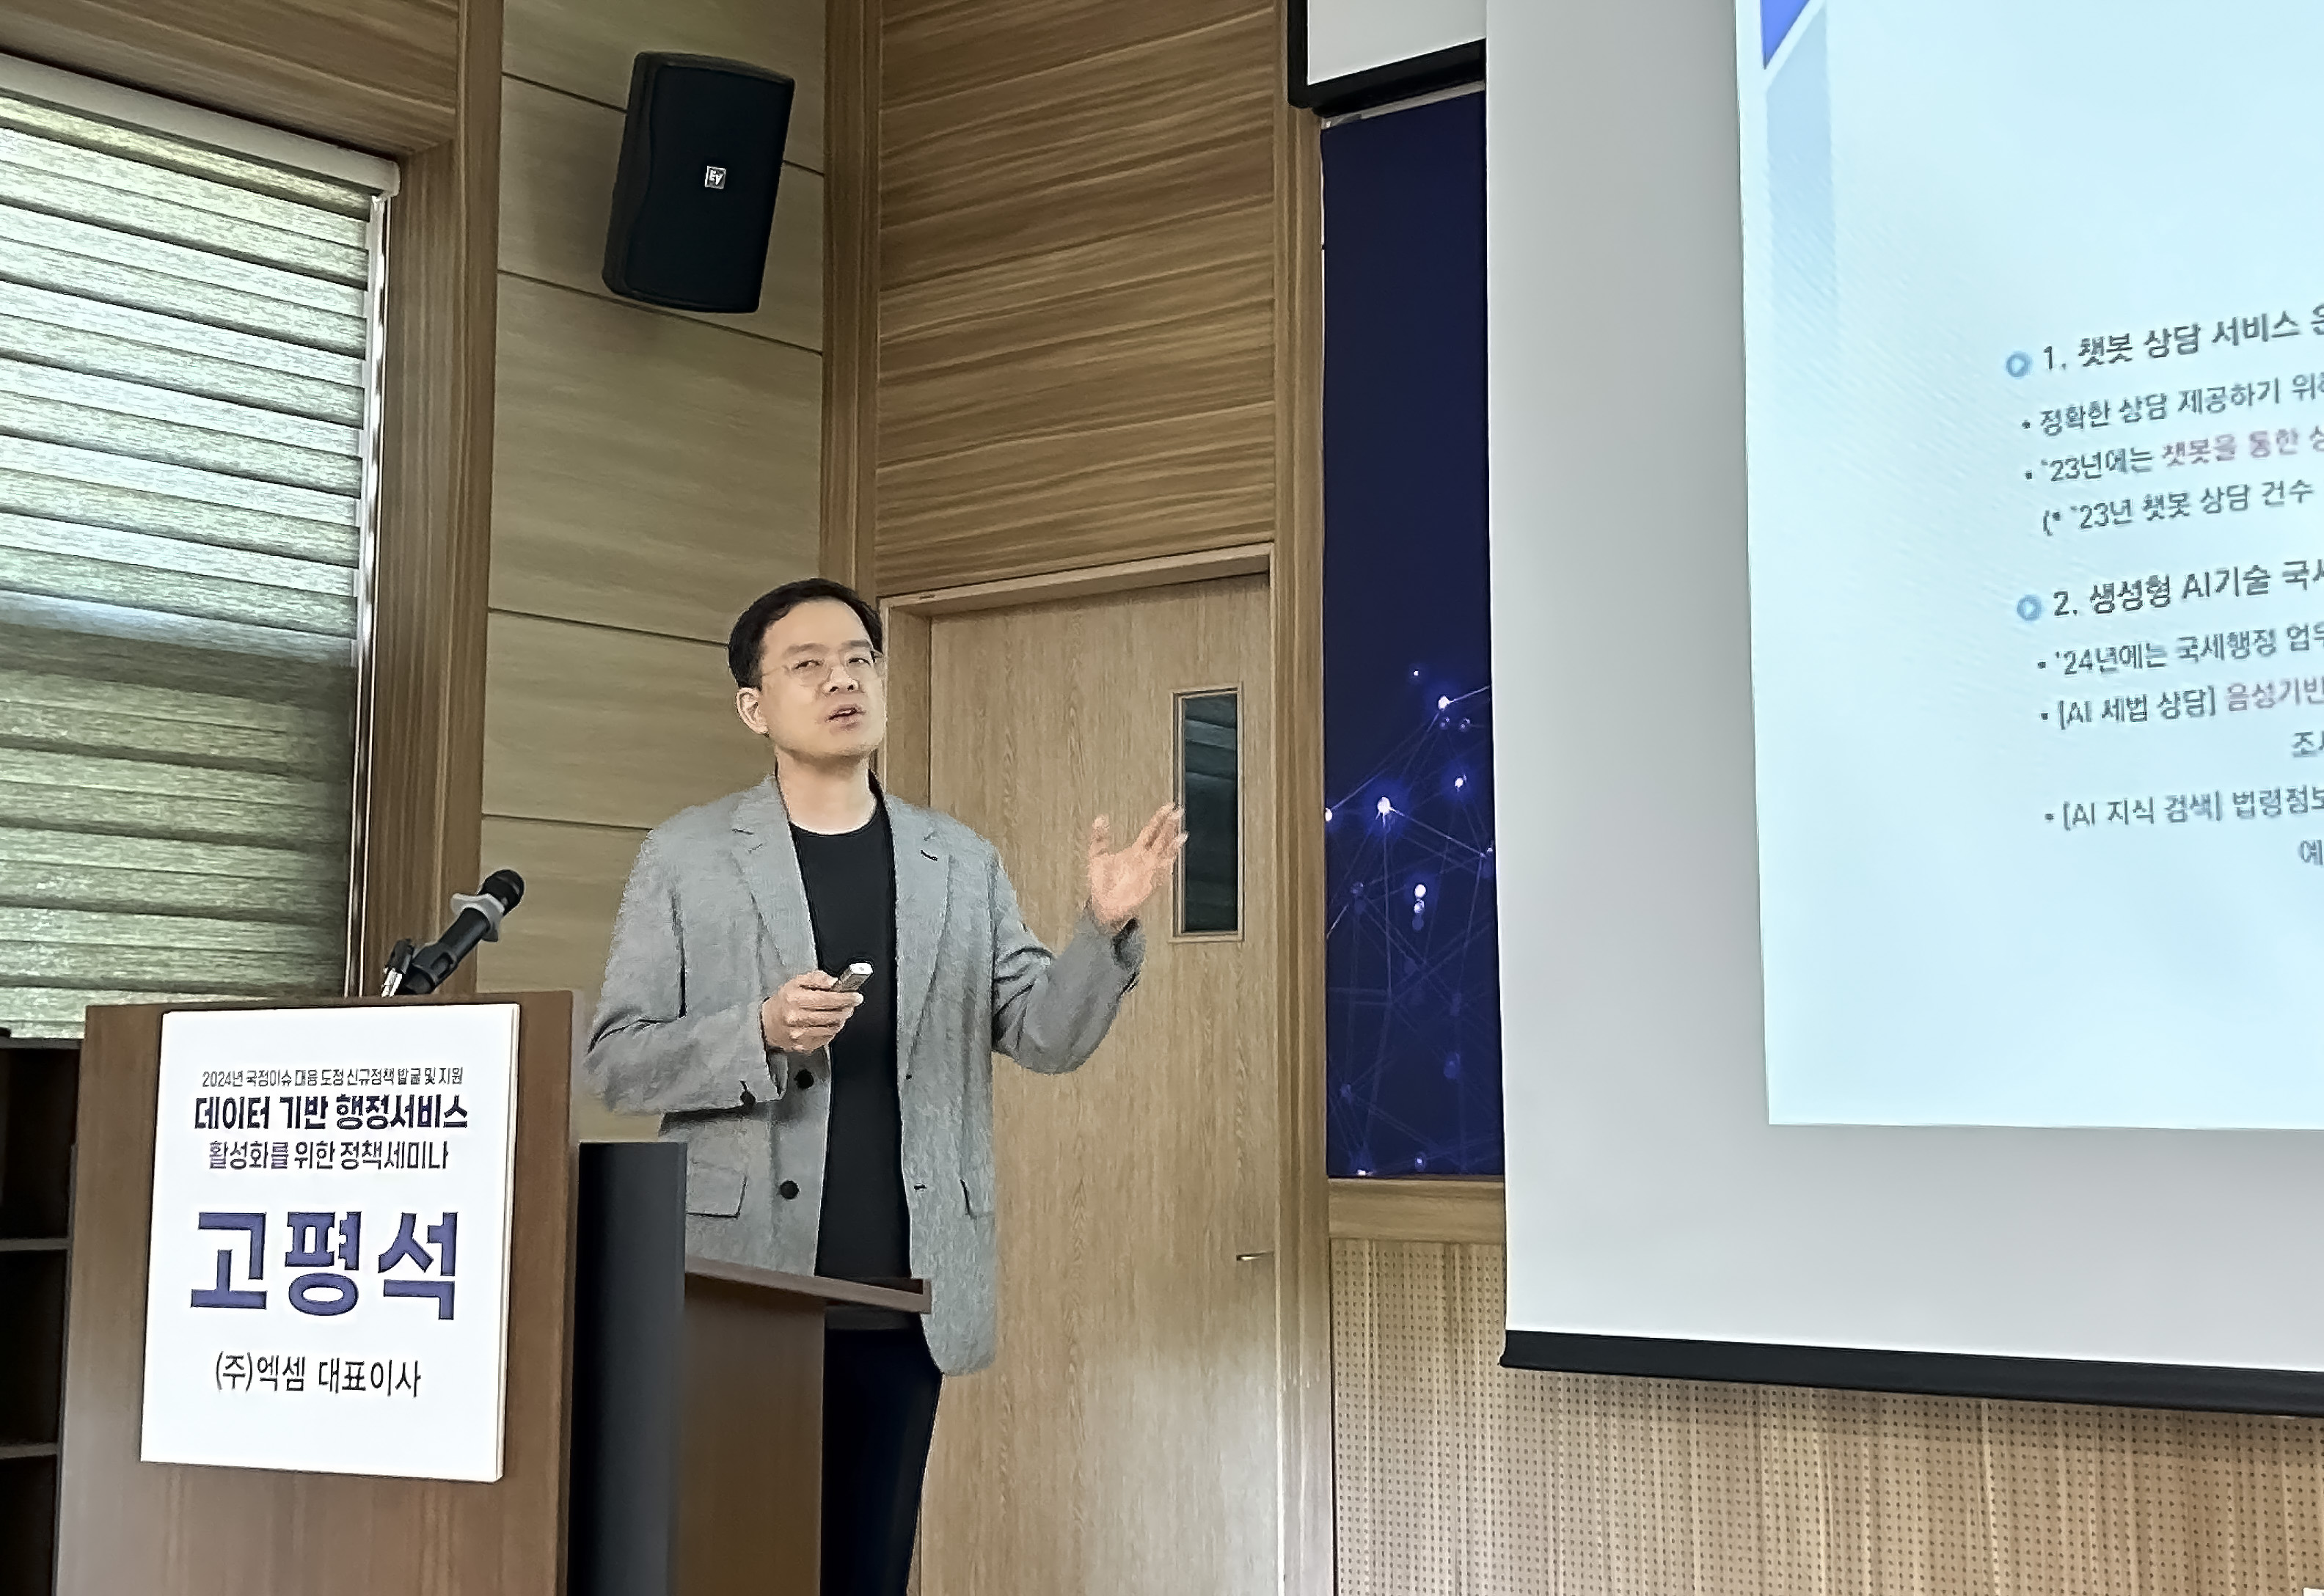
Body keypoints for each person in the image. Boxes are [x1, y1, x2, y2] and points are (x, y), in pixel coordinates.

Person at [586, 577, 1182, 1596]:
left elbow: (1043, 1035)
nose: (843, 681)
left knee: (868, 1572)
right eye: (809, 665)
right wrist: (758, 1032)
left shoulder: (959, 860)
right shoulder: (688, 856)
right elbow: (616, 1058)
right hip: (736, 1287)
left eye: (860, 659)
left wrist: (1104, 930)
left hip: (901, 1293)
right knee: (728, 1566)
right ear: (754, 707)